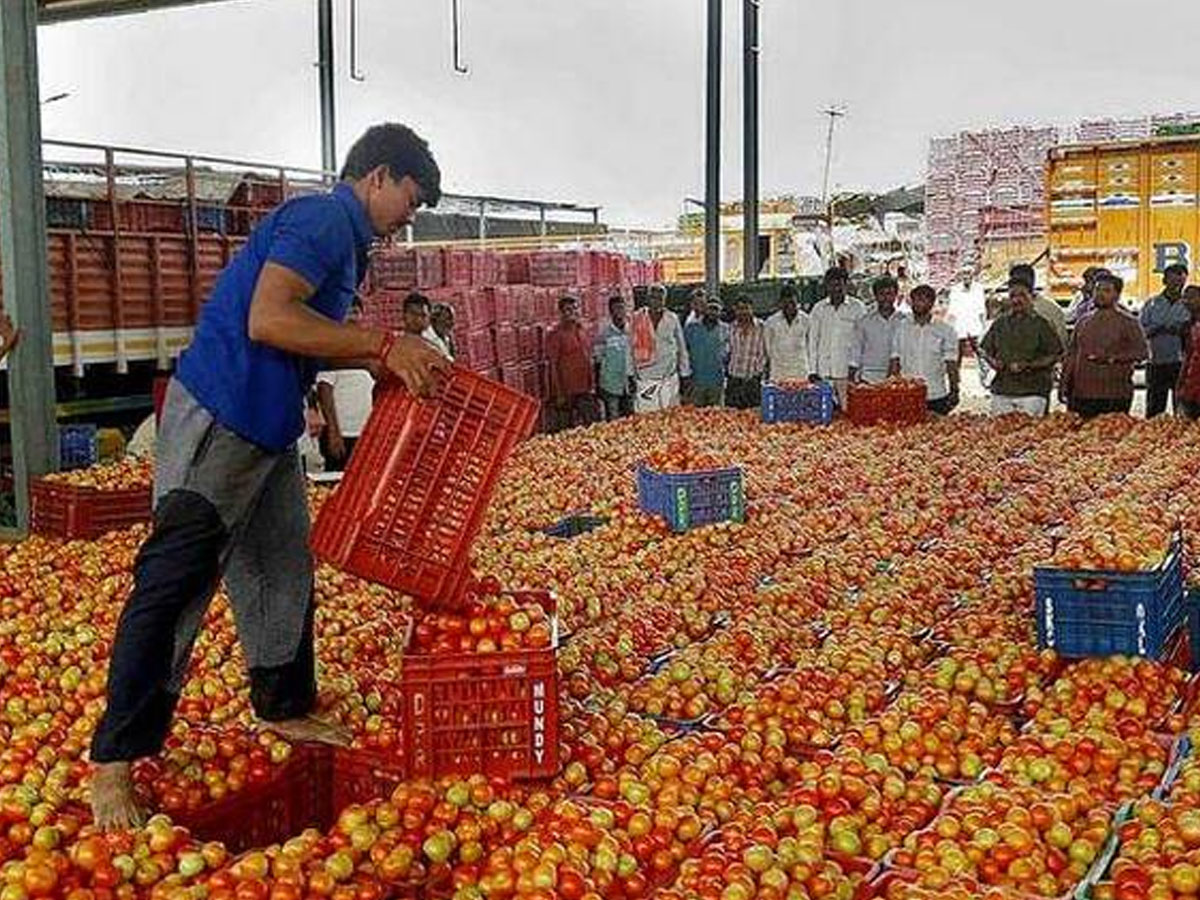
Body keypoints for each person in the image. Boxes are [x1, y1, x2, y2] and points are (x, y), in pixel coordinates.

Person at [87, 123, 449, 830]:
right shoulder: (320, 219)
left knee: (282, 569)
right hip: (222, 416)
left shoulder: (350, 245)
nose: (412, 215)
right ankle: (114, 761)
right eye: (411, 197)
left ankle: (283, 705)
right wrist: (381, 342)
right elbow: (267, 319)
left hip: (270, 427)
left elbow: (303, 337)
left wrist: (373, 360)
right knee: (176, 582)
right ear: (377, 176)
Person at [1060, 272, 1148, 418]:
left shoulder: (1129, 322)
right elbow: (1072, 355)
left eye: (1106, 290)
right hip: (1082, 394)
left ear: (1117, 295)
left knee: (1111, 436)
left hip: (1115, 395)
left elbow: (1143, 353)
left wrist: (1111, 358)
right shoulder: (1082, 321)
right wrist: (1064, 383)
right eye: (1097, 290)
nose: (1100, 294)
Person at [980, 277, 1064, 417]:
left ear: (1031, 297)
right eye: (1012, 296)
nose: (1016, 300)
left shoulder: (1041, 324)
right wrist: (993, 362)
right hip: (1002, 390)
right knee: (998, 434)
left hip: (1032, 392)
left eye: (1022, 295)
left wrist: (1029, 365)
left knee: (1031, 434)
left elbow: (1055, 355)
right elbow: (986, 351)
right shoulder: (1000, 323)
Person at [889, 284, 960, 415]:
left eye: (924, 299)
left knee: (937, 433)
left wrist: (955, 390)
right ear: (911, 302)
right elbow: (895, 359)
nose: (919, 303)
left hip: (936, 394)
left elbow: (951, 363)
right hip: (907, 394)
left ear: (932, 303)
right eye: (916, 299)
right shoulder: (901, 328)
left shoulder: (945, 330)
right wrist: (891, 388)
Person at [808, 266, 867, 408]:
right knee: (824, 414)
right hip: (824, 372)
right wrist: (812, 371)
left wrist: (855, 367)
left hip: (847, 372)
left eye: (840, 284)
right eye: (832, 285)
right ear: (826, 286)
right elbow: (813, 341)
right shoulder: (818, 309)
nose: (836, 289)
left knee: (848, 411)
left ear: (846, 284)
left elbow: (862, 341)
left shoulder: (858, 307)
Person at [1140, 263, 1192, 418]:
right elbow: (1140, 332)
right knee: (1154, 407)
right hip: (1156, 362)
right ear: (1164, 281)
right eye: (1173, 282)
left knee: (1183, 409)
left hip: (1182, 365)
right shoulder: (1151, 304)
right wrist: (1156, 330)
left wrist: (1182, 330)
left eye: (1180, 283)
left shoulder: (1190, 306)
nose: (1177, 286)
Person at [634, 284, 691, 412]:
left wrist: (685, 372)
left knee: (670, 415)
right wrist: (629, 374)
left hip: (669, 375)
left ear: (664, 300)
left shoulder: (672, 318)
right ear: (648, 299)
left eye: (660, 298)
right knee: (646, 415)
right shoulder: (636, 317)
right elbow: (629, 347)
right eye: (653, 297)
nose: (657, 301)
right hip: (645, 376)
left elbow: (681, 347)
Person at [545, 295, 596, 431]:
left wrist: (592, 383)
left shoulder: (582, 330)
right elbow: (553, 366)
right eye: (568, 310)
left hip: (584, 387)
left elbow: (587, 358)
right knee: (566, 429)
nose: (572, 313)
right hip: (567, 390)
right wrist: (559, 392)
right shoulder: (555, 335)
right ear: (561, 313)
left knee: (592, 425)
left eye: (574, 309)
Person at [850, 275, 906, 385]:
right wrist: (851, 379)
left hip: (898, 379)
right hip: (868, 378)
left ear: (896, 296)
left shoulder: (904, 321)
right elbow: (855, 352)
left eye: (889, 294)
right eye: (881, 294)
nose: (886, 298)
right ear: (875, 296)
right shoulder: (864, 322)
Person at [593, 295, 635, 421]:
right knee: (613, 418)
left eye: (622, 308)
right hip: (610, 383)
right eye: (616, 308)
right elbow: (598, 360)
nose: (619, 311)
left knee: (632, 418)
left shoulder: (633, 330)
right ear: (610, 311)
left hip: (630, 382)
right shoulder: (603, 333)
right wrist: (598, 385)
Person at [683, 298, 729, 407]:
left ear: (720, 311)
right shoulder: (691, 328)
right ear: (704, 309)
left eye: (716, 309)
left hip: (717, 382)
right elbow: (683, 352)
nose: (712, 312)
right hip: (695, 381)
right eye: (710, 308)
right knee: (693, 417)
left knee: (716, 418)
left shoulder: (726, 329)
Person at [726, 298, 767, 409]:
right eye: (739, 308)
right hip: (734, 381)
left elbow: (766, 353)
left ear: (752, 309)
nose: (743, 312)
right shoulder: (730, 328)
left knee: (753, 417)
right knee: (731, 417)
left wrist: (758, 372)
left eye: (746, 308)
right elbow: (727, 352)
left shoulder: (762, 327)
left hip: (753, 381)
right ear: (735, 310)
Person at [763, 283, 809, 383]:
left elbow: (810, 348)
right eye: (786, 303)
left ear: (798, 302)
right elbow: (768, 350)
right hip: (778, 376)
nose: (789, 307)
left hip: (801, 374)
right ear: (780, 303)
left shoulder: (807, 320)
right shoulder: (771, 322)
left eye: (792, 303)